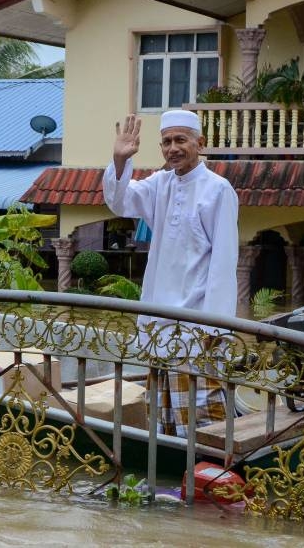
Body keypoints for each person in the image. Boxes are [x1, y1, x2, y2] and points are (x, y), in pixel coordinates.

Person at [103, 109, 239, 437]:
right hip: (158, 326)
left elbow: (223, 264)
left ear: (200, 143)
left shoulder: (218, 190)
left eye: (181, 140)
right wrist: (120, 161)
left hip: (197, 330)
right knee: (163, 416)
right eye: (166, 142)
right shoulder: (160, 185)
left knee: (202, 419)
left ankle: (212, 478)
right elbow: (121, 202)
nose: (172, 148)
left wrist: (215, 330)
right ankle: (171, 480)